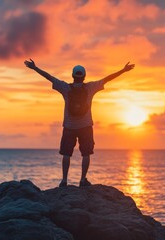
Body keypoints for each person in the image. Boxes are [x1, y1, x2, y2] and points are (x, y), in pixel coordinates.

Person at [24, 59, 135, 187]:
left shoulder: (65, 88)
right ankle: (83, 180)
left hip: (69, 126)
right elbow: (108, 79)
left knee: (66, 154)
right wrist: (123, 70)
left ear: (72, 76)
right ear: (84, 76)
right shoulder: (90, 87)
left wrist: (35, 68)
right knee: (86, 154)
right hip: (86, 126)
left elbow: (50, 77)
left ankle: (64, 181)